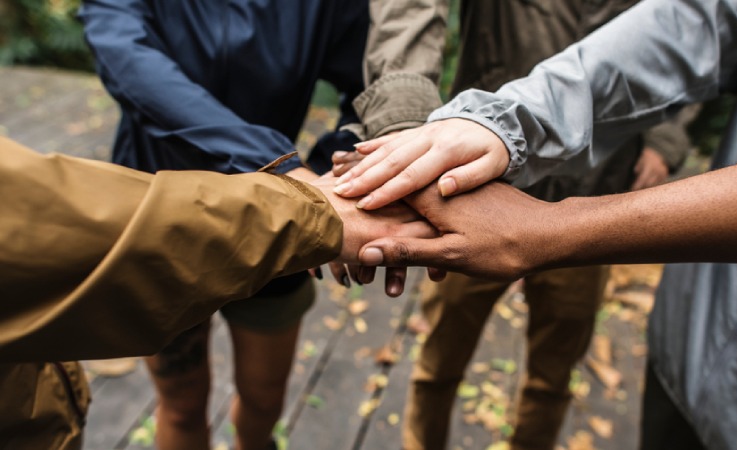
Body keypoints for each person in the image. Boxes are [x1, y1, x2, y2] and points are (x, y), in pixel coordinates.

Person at [345, 0, 737, 448]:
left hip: (600, 193)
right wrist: (414, 129)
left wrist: (661, 143)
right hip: (465, 193)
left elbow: (699, 41)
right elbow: (693, 26)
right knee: (441, 355)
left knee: (554, 370)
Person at [0, 136, 433, 449]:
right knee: (181, 405)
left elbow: (358, 73)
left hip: (286, 239)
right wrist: (307, 203)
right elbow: (139, 71)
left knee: (264, 400)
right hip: (153, 235)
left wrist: (342, 174)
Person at [78, 1, 369, 448]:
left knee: (265, 398)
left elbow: (365, 88)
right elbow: (130, 61)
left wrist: (330, 167)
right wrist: (279, 168)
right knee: (181, 402)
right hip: (162, 222)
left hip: (277, 223)